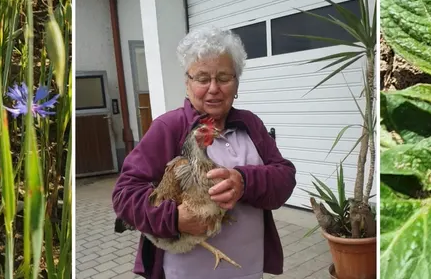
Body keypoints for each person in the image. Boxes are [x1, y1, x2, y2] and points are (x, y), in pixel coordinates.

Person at [112, 26, 296, 279]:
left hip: (248, 268)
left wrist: (244, 182)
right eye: (202, 78)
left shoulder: (250, 124)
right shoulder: (169, 128)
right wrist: (173, 218)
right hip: (188, 272)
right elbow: (124, 194)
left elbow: (284, 178)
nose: (213, 88)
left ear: (236, 83)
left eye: (223, 78)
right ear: (187, 84)